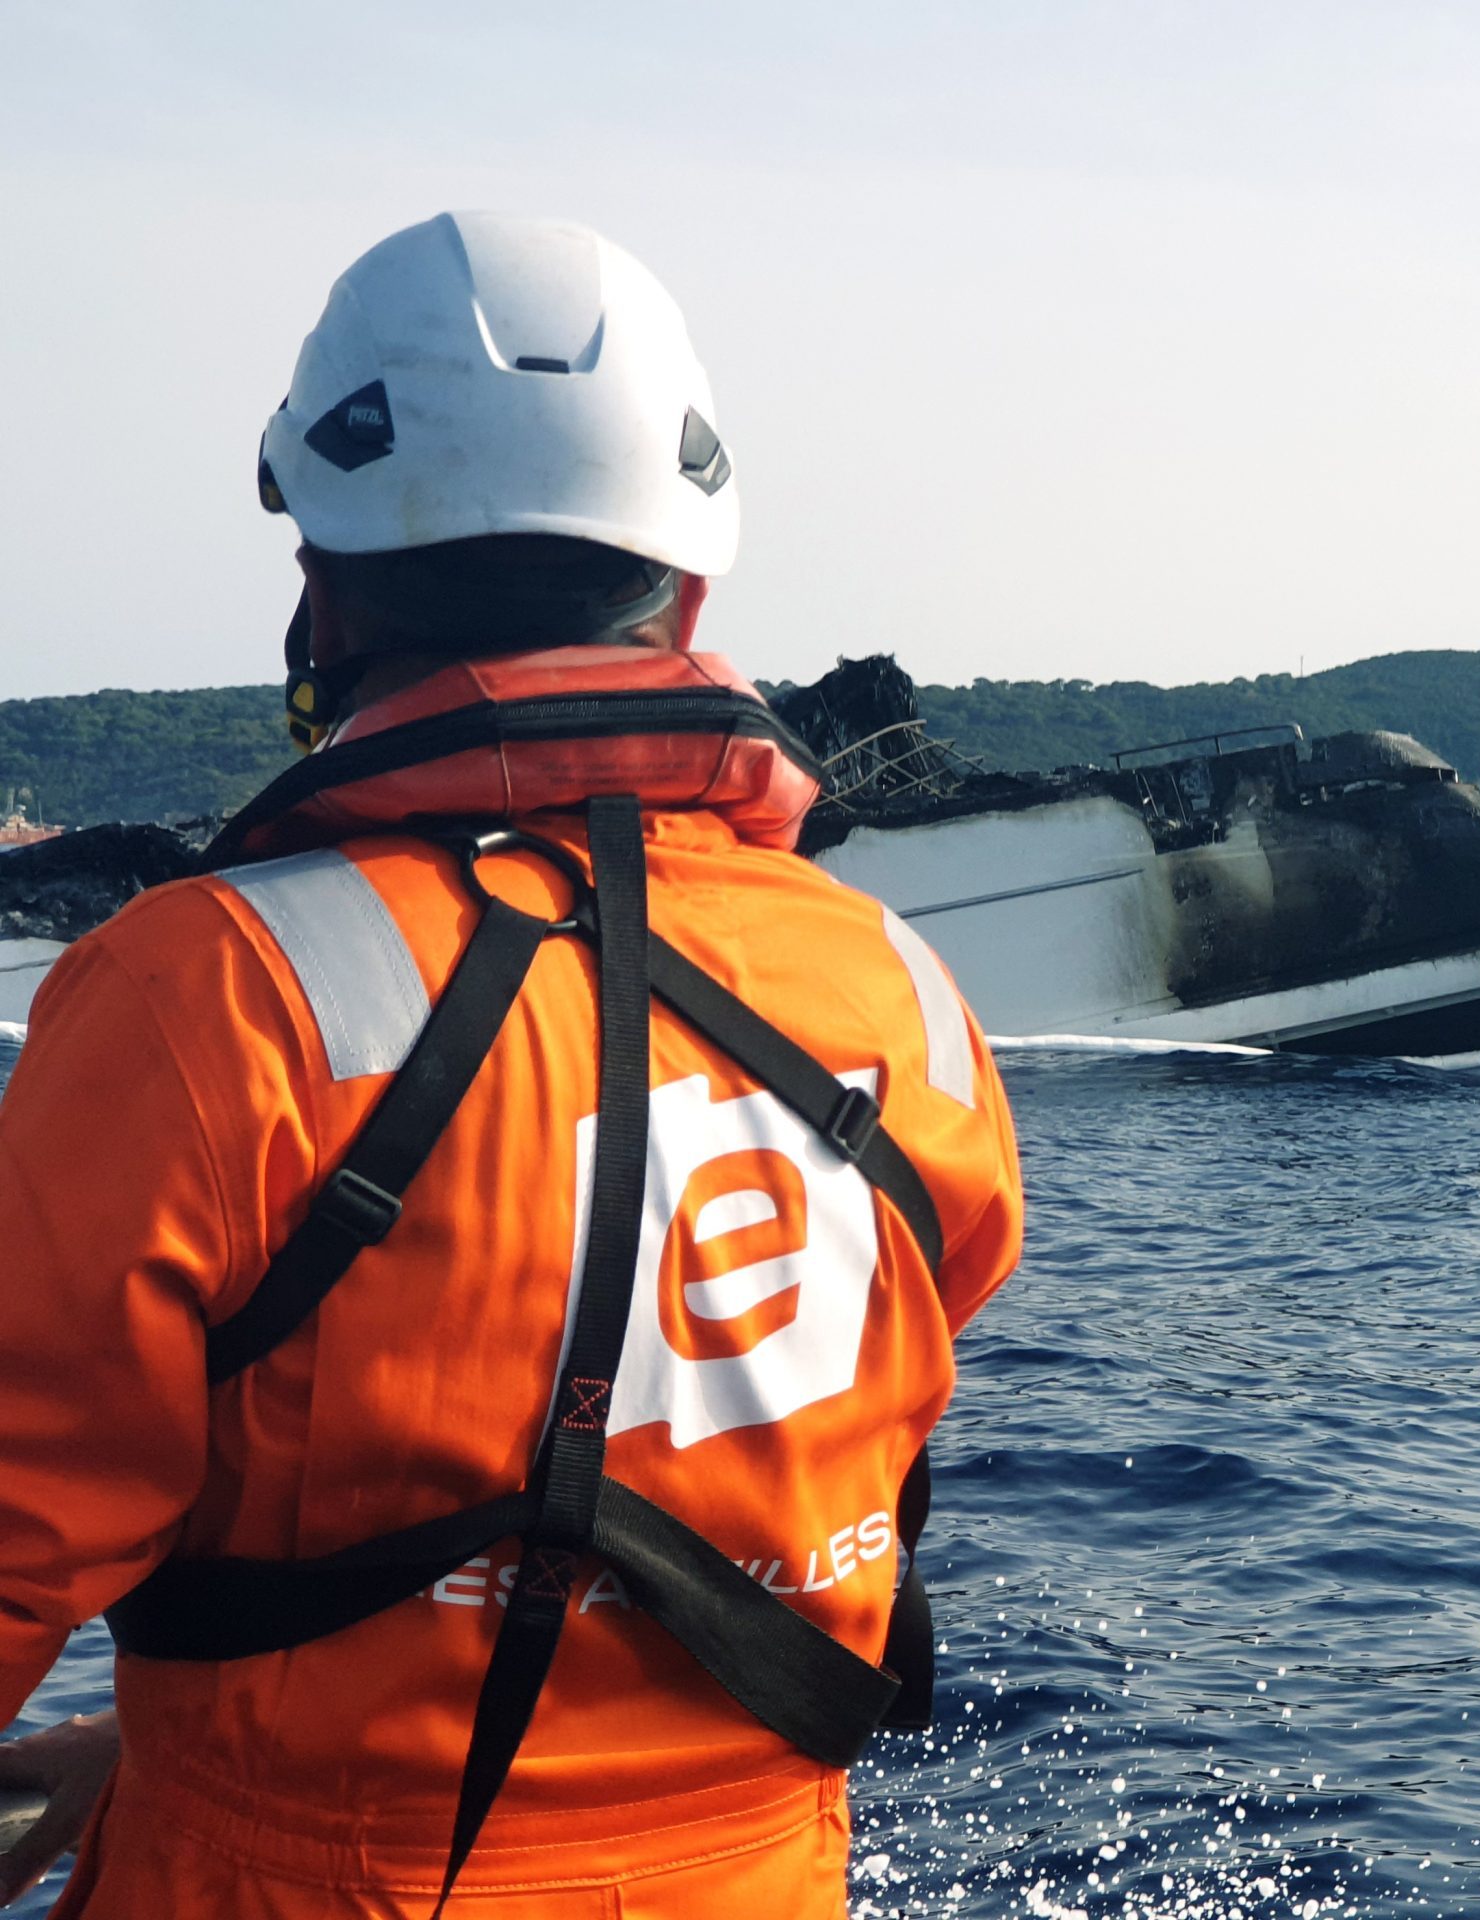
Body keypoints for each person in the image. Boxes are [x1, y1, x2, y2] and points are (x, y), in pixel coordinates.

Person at [0, 213, 1023, 1917]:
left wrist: (230, 1747)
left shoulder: (196, 998)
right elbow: (813, 1445)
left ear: (322, 587)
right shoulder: (902, 994)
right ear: (690, 591)